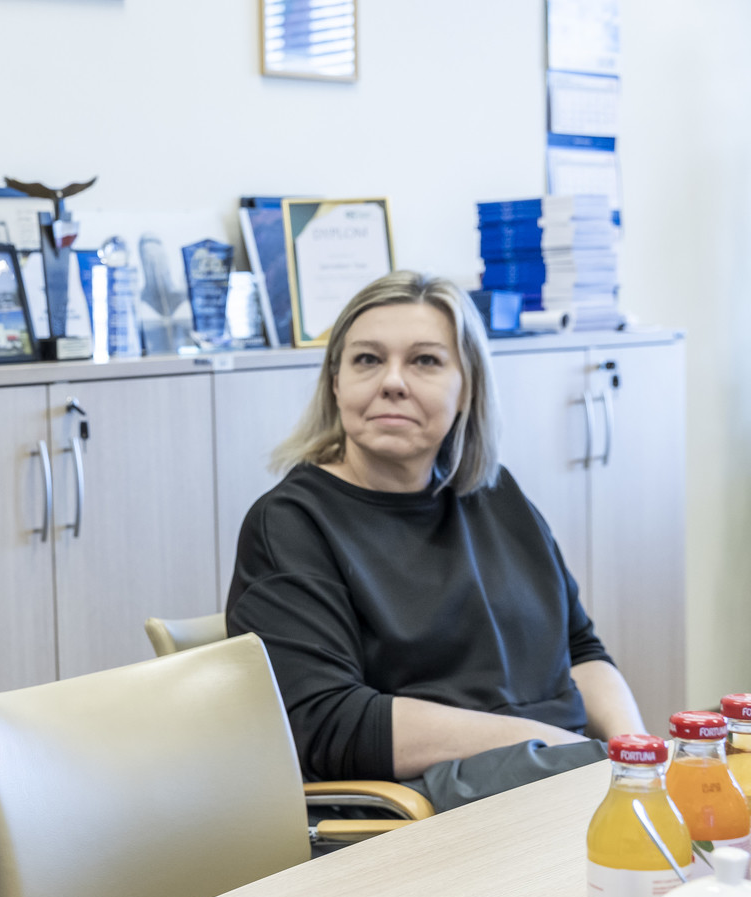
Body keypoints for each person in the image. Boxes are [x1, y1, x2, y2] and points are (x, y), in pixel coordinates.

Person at [225, 271, 646, 812]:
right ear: (335, 383)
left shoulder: (496, 494)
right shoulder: (290, 523)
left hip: (561, 776)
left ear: (466, 387)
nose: (392, 382)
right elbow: (328, 723)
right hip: (415, 806)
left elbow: (580, 650)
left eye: (425, 360)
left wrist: (639, 753)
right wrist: (556, 747)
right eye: (367, 360)